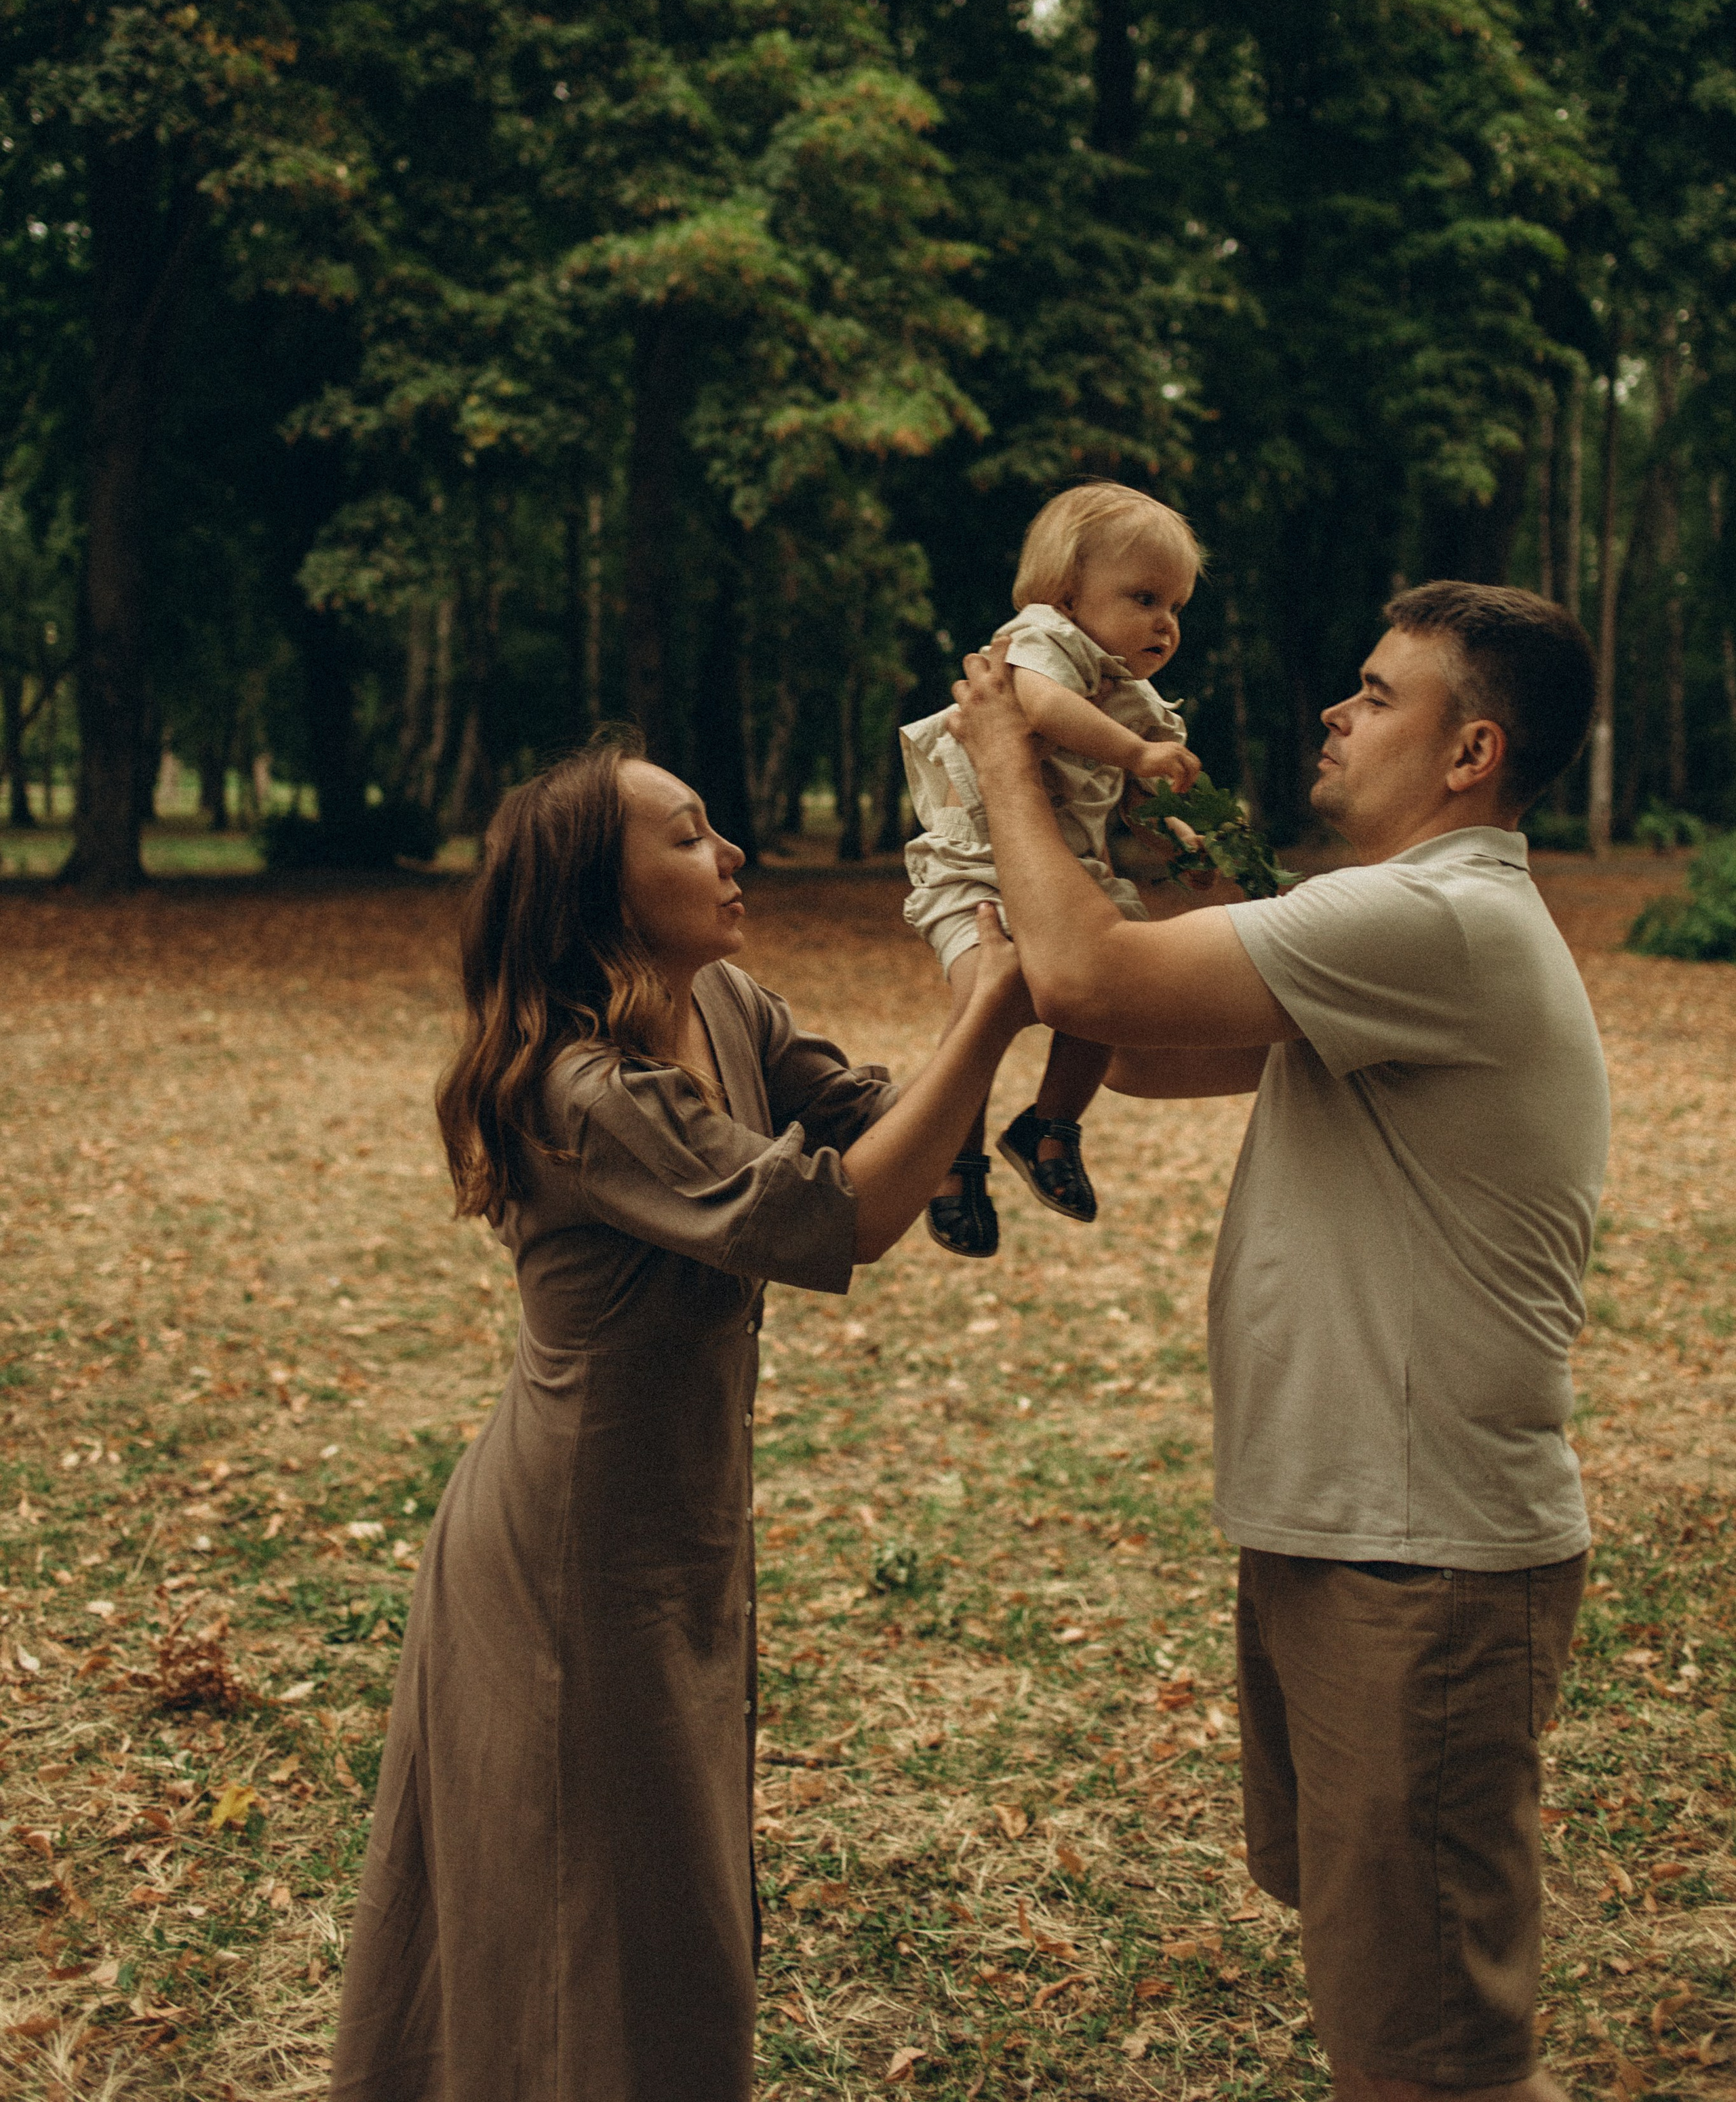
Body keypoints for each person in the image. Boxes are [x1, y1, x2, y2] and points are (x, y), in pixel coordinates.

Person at [948, 581, 1606, 2102]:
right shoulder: (1397, 936)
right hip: (1354, 1535)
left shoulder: (1436, 919)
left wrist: (999, 744)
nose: (1335, 707)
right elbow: (1153, 1051)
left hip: (1420, 1559)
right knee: (1383, 1982)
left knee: (1429, 2044)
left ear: (1469, 754)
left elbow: (1094, 979)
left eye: (1376, 694)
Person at [327, 734, 1030, 2102]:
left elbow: (888, 1132)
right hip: (568, 1560)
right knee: (611, 1921)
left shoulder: (730, 1009)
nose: (732, 854)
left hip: (679, 1526)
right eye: (689, 834)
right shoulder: (579, 1095)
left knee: (651, 1911)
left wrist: (1010, 979)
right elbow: (832, 1214)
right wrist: (993, 1007)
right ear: (603, 889)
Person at [899, 481, 1202, 1257]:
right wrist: (1135, 753)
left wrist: (1169, 829)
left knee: (1115, 987)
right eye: (1143, 598)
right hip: (977, 870)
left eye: (1175, 606)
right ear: (1067, 593)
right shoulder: (1039, 640)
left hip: (1070, 875)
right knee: (984, 999)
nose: (1164, 624)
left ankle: (1050, 1127)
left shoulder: (1131, 694)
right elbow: (1034, 706)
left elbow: (1129, 800)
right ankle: (953, 1159)